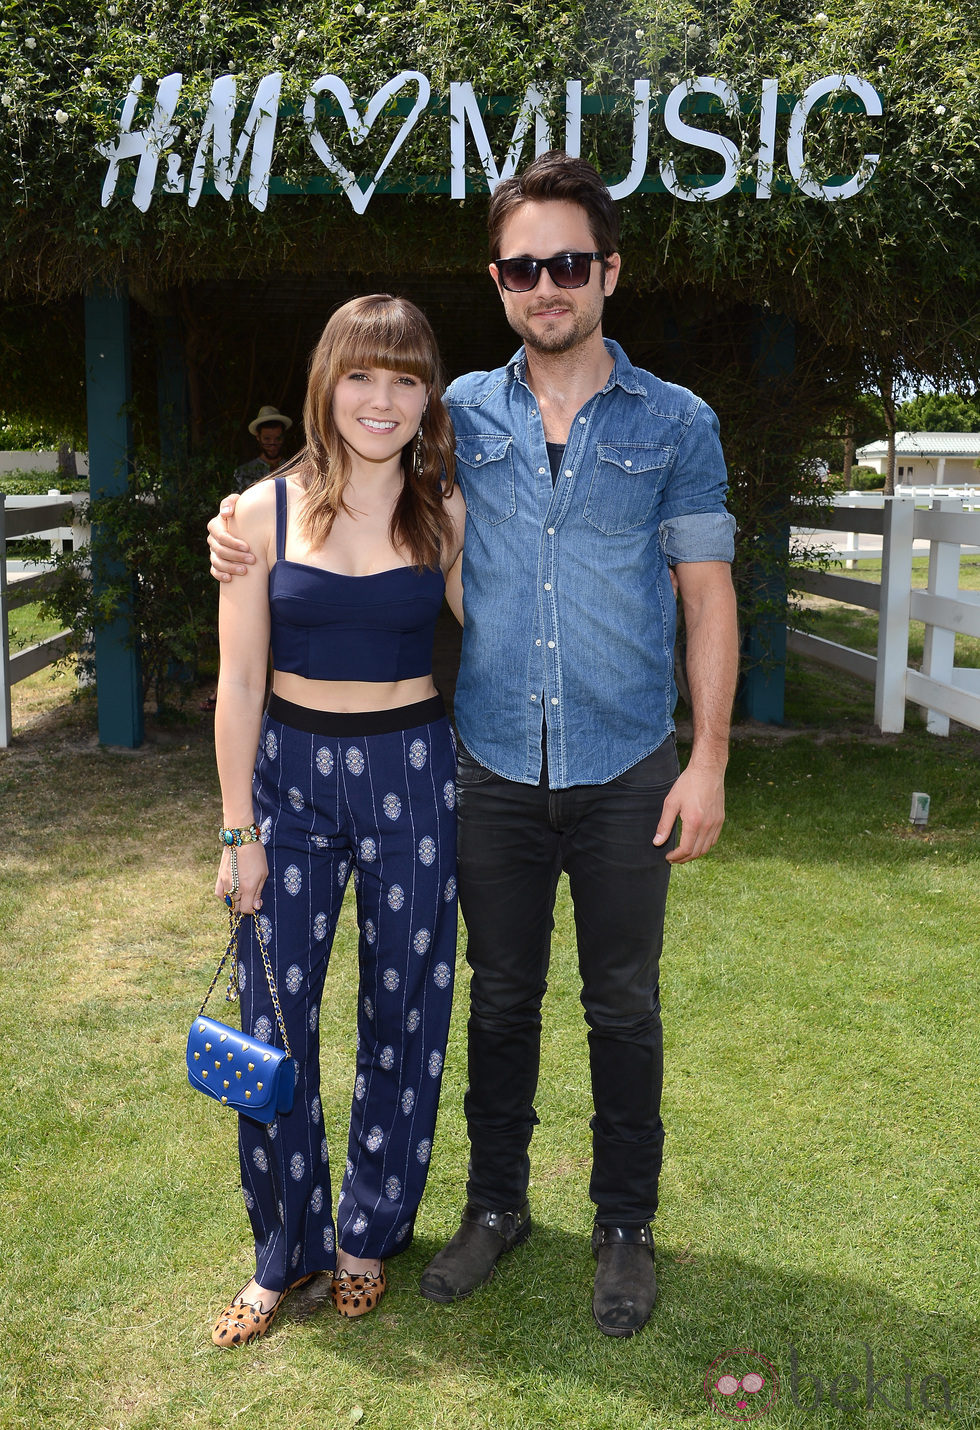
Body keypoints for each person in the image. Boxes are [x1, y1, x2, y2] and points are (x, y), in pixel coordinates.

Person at [209, 153, 739, 1340]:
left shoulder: (677, 422)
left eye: (565, 262)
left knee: (622, 1006)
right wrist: (240, 530)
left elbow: (706, 594)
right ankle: (492, 1207)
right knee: (494, 1002)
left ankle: (622, 1226)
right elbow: (351, 493)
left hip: (621, 764)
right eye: (521, 266)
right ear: (496, 281)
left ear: (607, 271)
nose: (544, 284)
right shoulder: (463, 423)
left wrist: (705, 759)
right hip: (487, 764)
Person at [209, 295, 465, 1347]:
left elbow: (502, 633)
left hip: (415, 772)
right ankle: (285, 1249)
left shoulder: (444, 511)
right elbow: (236, 683)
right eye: (363, 374)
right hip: (288, 781)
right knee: (273, 1020)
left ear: (425, 397)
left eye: (405, 378)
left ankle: (366, 1236)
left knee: (403, 1015)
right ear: (327, 383)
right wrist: (238, 829)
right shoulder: (256, 513)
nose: (382, 398)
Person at [234, 404, 292, 490]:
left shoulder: (293, 470)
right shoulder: (243, 473)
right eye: (267, 439)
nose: (272, 444)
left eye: (277, 438)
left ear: (283, 437)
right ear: (258, 437)